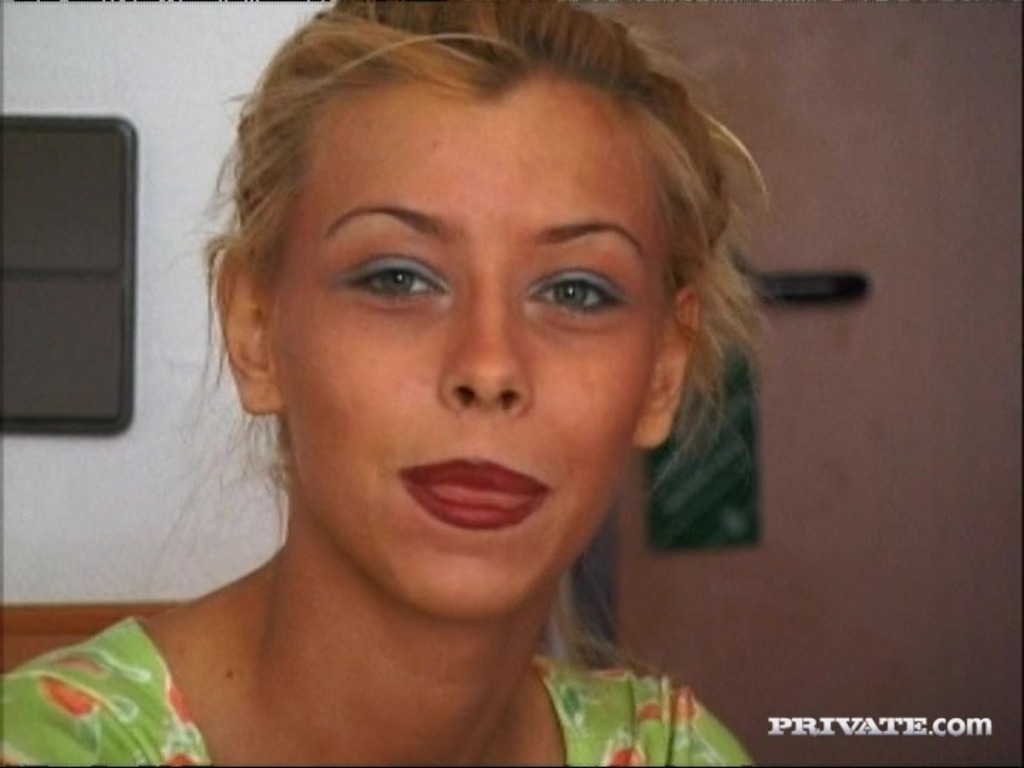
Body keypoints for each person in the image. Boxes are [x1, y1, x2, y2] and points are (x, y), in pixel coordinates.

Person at [2, 1, 761, 764]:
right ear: (255, 329)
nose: (489, 368)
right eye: (398, 278)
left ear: (663, 371)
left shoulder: (672, 751)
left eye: (575, 292)